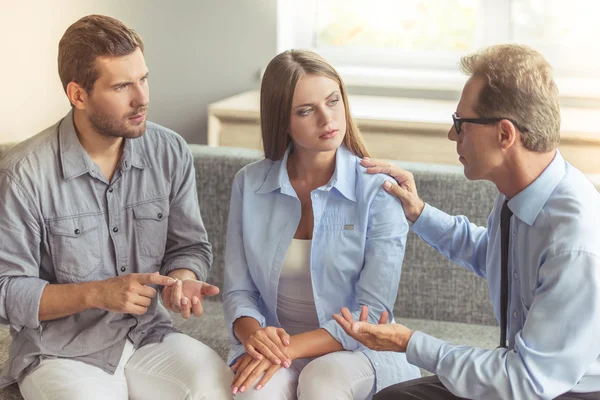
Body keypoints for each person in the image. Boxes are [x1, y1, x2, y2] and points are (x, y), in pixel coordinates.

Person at [333, 43, 600, 400]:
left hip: (562, 389)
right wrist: (419, 212)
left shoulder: (573, 242)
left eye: (461, 124)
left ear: (505, 134)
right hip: (522, 374)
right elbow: (493, 254)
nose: (451, 136)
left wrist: (411, 343)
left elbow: (529, 381)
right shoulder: (518, 190)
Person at [0, 15, 232, 400]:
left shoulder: (169, 151)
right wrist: (97, 293)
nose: (142, 98)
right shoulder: (24, 174)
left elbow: (188, 246)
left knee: (220, 388)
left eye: (143, 79)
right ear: (78, 94)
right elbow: (6, 291)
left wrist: (182, 279)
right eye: (122, 86)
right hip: (61, 353)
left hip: (147, 335)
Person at [222, 49, 421, 399]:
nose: (327, 118)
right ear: (282, 120)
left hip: (358, 349)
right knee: (250, 392)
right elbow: (239, 291)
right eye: (305, 110)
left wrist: (288, 348)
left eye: (333, 101)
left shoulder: (379, 191)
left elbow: (371, 314)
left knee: (322, 382)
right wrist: (254, 336)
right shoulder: (249, 184)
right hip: (277, 345)